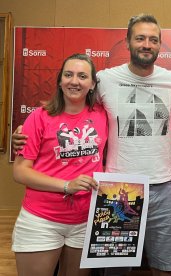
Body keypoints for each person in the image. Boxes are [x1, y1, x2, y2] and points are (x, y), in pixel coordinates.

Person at [12, 14, 171, 276]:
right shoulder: (104, 79)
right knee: (115, 268)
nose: (146, 44)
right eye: (139, 38)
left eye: (153, 39)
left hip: (164, 188)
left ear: (160, 45)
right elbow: (69, 104)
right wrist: (25, 131)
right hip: (116, 188)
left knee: (166, 266)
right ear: (127, 42)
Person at [11, 53, 108, 276]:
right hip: (42, 219)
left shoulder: (104, 116)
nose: (74, 81)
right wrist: (67, 185)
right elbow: (20, 171)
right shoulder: (39, 117)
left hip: (85, 219)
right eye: (68, 74)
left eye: (82, 76)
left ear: (92, 84)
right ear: (59, 80)